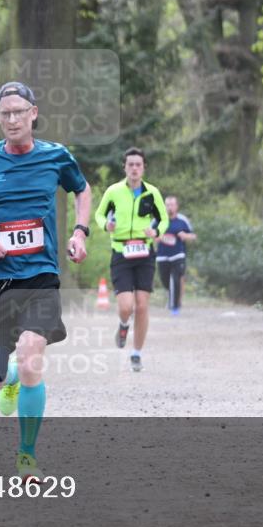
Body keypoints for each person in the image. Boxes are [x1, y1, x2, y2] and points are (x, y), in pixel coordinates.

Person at [0, 81, 91, 481]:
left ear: (33, 113)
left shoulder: (55, 156)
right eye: (4, 114)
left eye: (18, 111)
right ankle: (9, 377)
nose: (11, 119)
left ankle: (26, 456)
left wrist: (80, 232)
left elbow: (82, 190)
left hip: (40, 275)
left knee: (32, 354)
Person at [93, 147, 167, 372]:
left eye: (138, 165)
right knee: (126, 306)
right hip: (121, 253)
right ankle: (123, 325)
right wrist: (107, 225)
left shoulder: (152, 193)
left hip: (145, 253)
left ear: (143, 168)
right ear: (124, 167)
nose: (134, 168)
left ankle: (136, 353)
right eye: (130, 164)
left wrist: (157, 232)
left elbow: (163, 219)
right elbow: (99, 214)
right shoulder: (114, 192)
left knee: (143, 306)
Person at [154, 195, 196, 315]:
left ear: (176, 206)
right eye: (167, 205)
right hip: (162, 256)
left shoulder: (183, 220)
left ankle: (175, 307)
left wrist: (186, 236)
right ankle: (173, 298)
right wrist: (157, 237)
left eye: (172, 205)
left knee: (177, 279)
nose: (169, 207)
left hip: (178, 255)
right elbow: (150, 234)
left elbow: (193, 236)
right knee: (166, 281)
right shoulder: (158, 220)